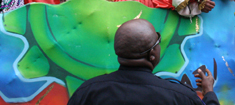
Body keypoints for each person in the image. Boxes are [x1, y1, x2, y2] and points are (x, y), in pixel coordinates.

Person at [67, 19, 220, 105]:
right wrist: (209, 93)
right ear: (152, 54)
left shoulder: (88, 92)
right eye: (157, 42)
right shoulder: (179, 97)